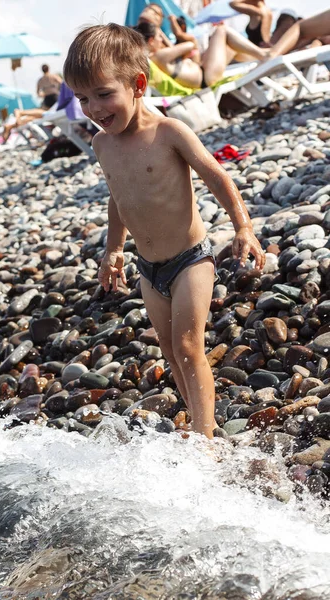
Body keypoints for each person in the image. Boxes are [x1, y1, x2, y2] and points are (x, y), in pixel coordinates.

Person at [63, 24, 265, 439]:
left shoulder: (169, 132)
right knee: (172, 352)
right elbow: (117, 197)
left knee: (190, 347)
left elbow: (217, 176)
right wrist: (113, 249)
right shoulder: (103, 145)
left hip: (191, 260)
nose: (94, 108)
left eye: (103, 94)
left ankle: (206, 442)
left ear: (138, 84)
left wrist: (242, 226)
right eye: (83, 98)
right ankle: (198, 419)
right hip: (148, 269)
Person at [134, 21, 268, 90]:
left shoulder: (155, 59)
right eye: (159, 37)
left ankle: (260, 59)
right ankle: (263, 55)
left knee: (231, 47)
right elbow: (190, 45)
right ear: (151, 41)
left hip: (204, 74)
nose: (161, 40)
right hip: (205, 77)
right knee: (221, 30)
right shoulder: (158, 56)